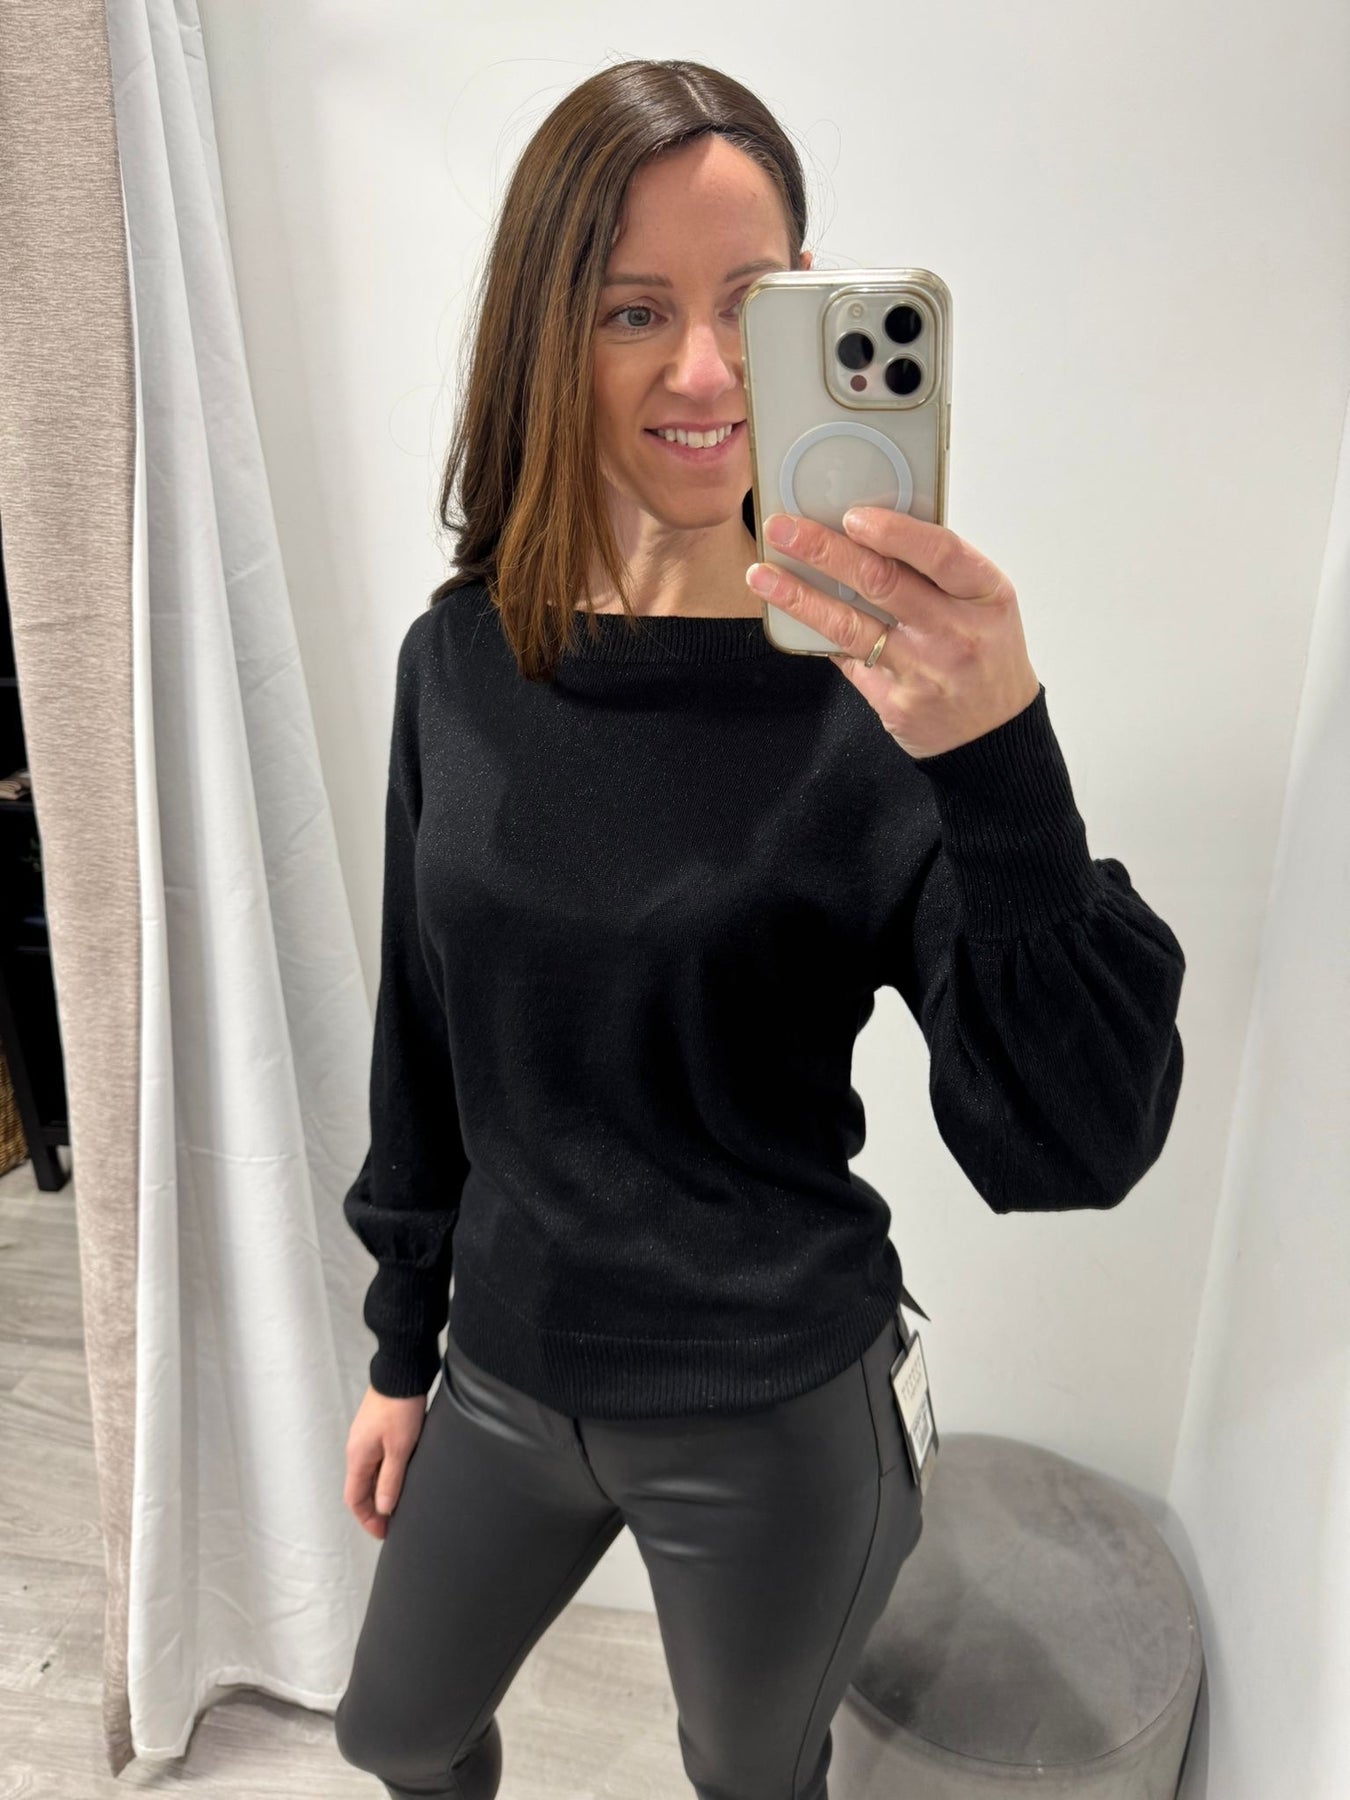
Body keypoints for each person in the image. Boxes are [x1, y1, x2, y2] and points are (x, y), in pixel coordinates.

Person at [332, 58, 1186, 1800]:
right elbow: (422, 1030)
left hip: (771, 1406)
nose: (706, 371)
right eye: (632, 309)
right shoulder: (459, 661)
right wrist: (401, 1347)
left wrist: (1000, 759)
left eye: (749, 303)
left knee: (749, 1777)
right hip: (507, 1367)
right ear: (544, 335)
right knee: (392, 1733)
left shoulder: (882, 704)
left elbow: (1073, 1142)